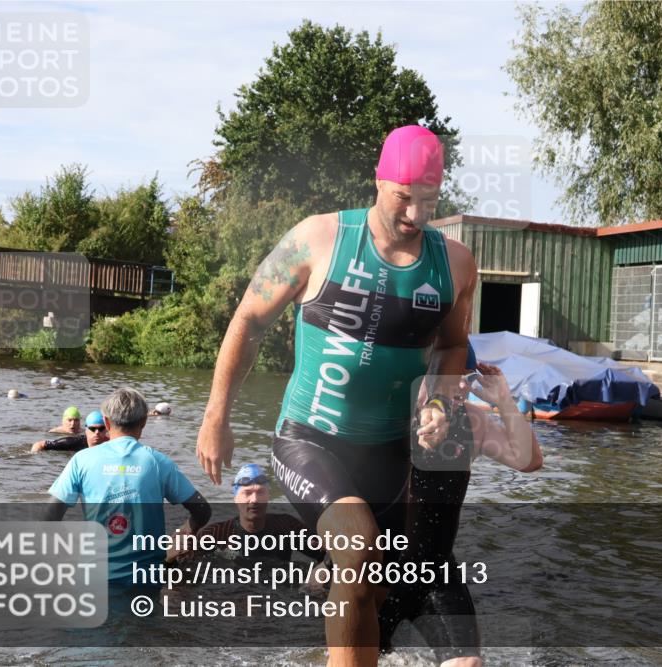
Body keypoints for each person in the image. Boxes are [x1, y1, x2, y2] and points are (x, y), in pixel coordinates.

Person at [196, 124, 478, 665]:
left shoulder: (457, 265)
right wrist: (217, 417)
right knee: (355, 546)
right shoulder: (317, 238)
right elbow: (249, 321)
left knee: (380, 589)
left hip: (393, 456)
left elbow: (452, 347)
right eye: (403, 198)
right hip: (311, 441)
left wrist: (440, 403)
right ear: (378, 181)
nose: (415, 216)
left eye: (429, 202)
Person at [379, 351, 542, 666]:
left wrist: (504, 401)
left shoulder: (472, 420)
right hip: (381, 563)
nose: (463, 387)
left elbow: (529, 461)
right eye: (454, 378)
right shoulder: (395, 412)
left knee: (467, 662)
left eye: (467, 378)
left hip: (436, 568)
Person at [45, 387, 211, 584]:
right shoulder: (158, 462)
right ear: (144, 422)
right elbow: (202, 510)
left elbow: (49, 517)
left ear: (106, 423)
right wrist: (182, 534)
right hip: (146, 580)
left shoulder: (81, 460)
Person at [173, 464, 322, 566]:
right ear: (236, 498)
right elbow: (185, 567)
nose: (254, 500)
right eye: (247, 493)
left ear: (268, 496)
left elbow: (326, 555)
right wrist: (174, 554)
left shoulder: (288, 526)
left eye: (260, 493)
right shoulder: (215, 534)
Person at [32, 410, 108, 453]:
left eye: (101, 429)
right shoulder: (74, 442)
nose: (97, 432)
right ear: (86, 429)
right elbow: (39, 444)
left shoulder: (114, 442)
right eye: (93, 429)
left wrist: (120, 470)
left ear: (107, 429)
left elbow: (120, 468)